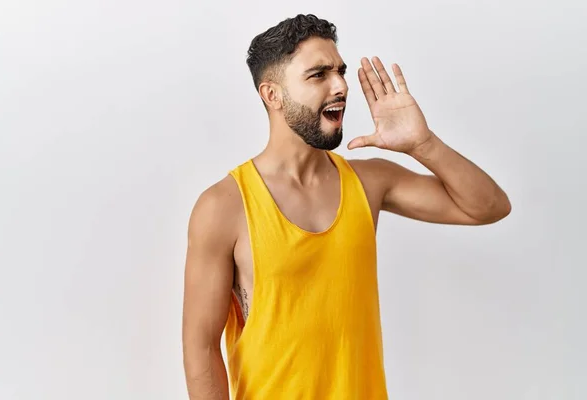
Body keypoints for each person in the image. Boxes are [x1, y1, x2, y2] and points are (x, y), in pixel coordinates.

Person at [182, 13, 511, 400]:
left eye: (340, 71)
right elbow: (201, 348)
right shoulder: (223, 205)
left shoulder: (369, 182)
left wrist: (423, 145)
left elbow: (488, 207)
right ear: (272, 95)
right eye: (318, 75)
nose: (340, 86)